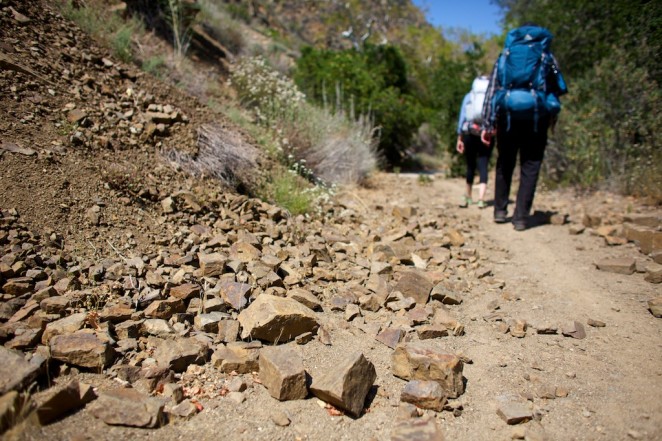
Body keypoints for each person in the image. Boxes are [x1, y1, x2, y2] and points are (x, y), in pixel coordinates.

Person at [481, 24, 567, 230]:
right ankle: (520, 217)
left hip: (507, 116)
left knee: (505, 163)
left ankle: (500, 210)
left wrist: (488, 123)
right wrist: (551, 118)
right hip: (537, 119)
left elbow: (492, 91)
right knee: (530, 166)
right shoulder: (546, 56)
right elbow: (557, 89)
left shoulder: (505, 56)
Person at [456, 76, 493, 209]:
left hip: (470, 133)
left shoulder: (469, 96)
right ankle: (481, 199)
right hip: (487, 133)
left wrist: (459, 136)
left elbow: (462, 117)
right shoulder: (491, 97)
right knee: (483, 164)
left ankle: (468, 196)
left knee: (470, 165)